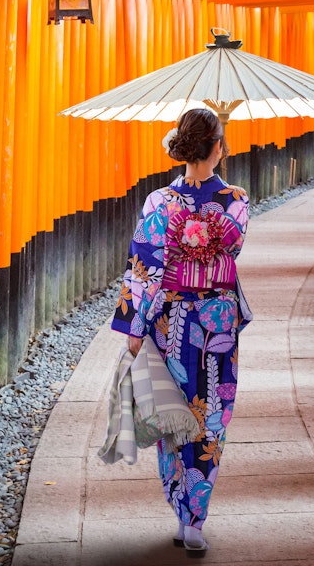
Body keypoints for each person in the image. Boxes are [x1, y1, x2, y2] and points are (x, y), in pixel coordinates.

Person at [109, 107, 253, 556]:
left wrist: (135, 327)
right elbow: (233, 248)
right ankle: (195, 518)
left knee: (174, 412)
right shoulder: (235, 201)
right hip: (216, 322)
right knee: (211, 414)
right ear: (218, 148)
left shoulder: (157, 202)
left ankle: (180, 506)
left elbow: (142, 268)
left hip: (170, 319)